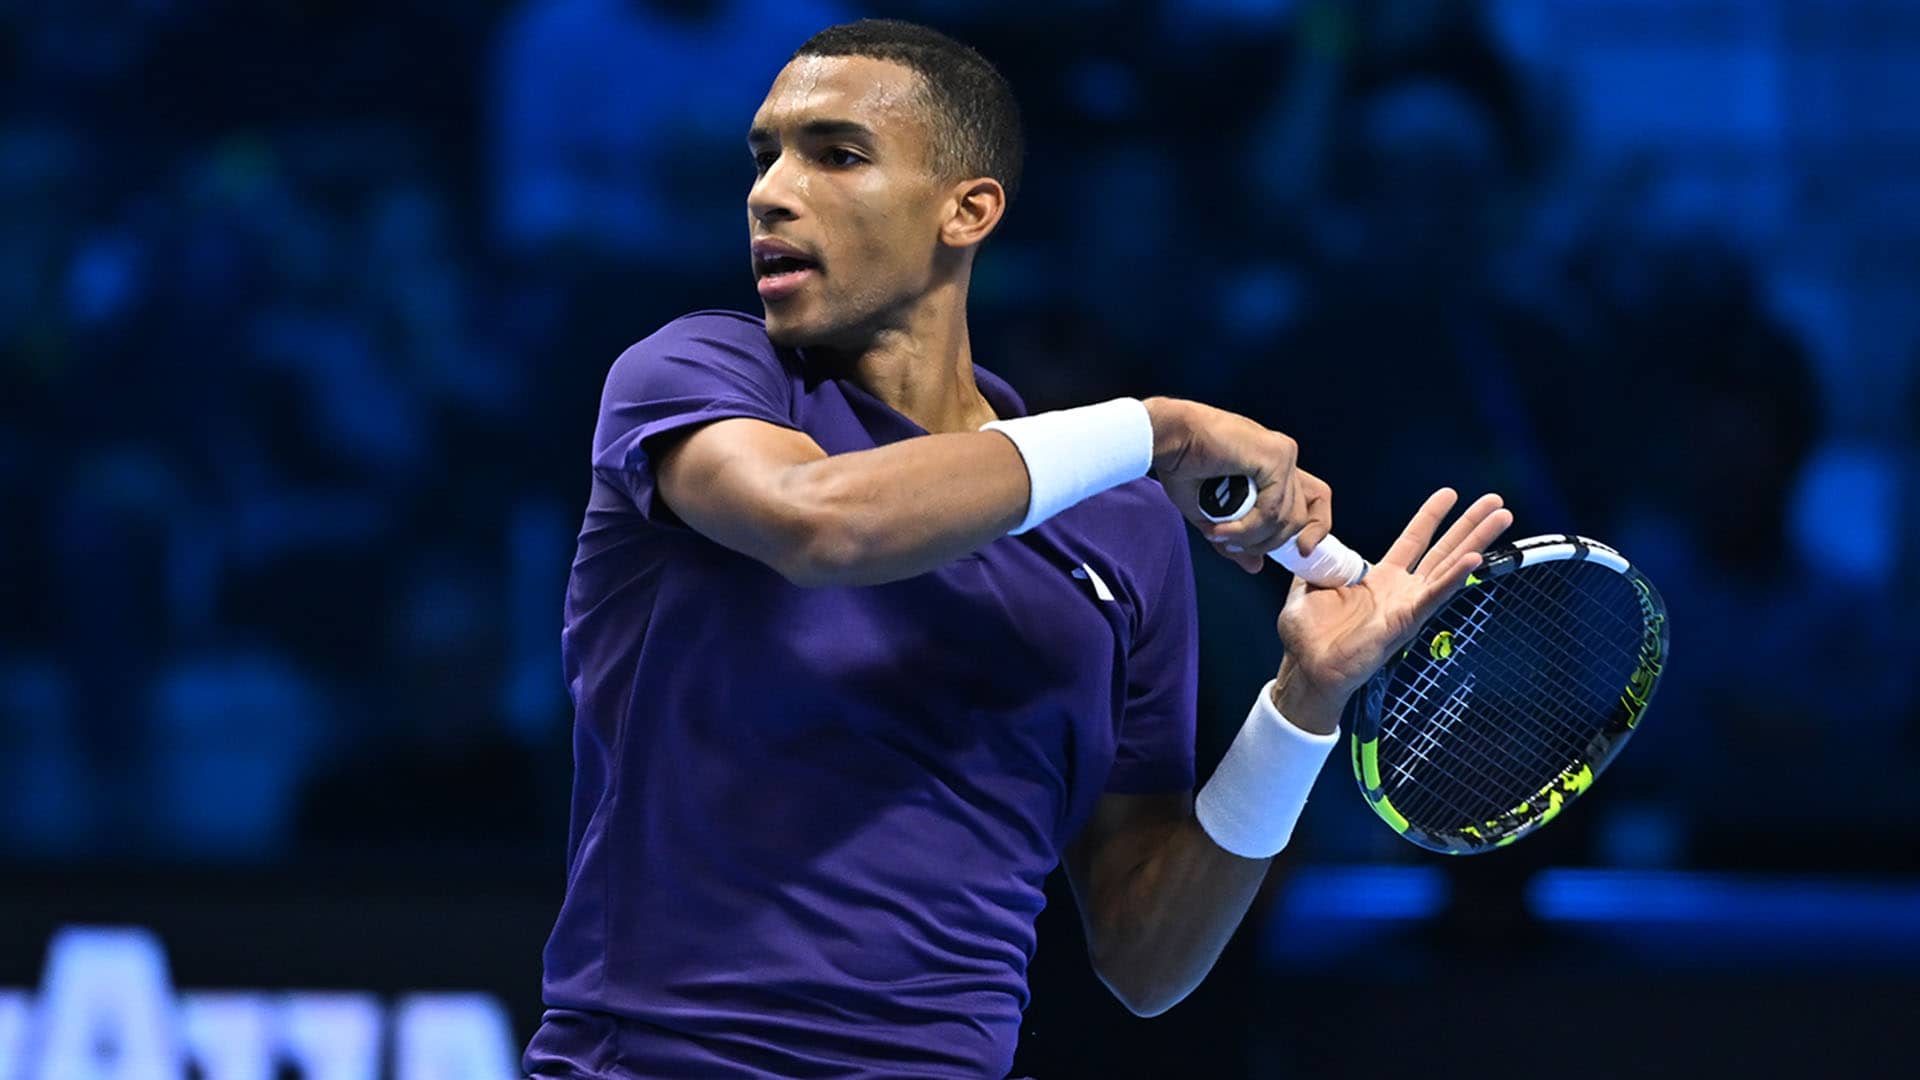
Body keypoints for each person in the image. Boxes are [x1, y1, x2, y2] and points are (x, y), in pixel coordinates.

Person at [523, 19, 1510, 1077]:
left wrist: (1300, 709)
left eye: (835, 154)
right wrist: (1157, 429)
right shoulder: (701, 376)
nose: (772, 189)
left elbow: (1146, 955)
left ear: (968, 209)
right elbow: (823, 521)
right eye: (764, 154)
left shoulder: (1125, 534)